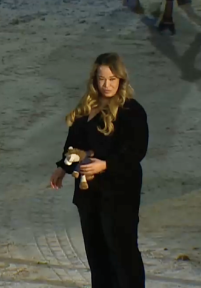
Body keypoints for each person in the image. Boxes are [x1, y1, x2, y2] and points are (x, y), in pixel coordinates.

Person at [49, 52, 149, 288]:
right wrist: (63, 168)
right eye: (102, 79)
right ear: (94, 79)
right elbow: (73, 143)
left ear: (121, 80)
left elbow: (137, 151)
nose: (107, 85)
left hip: (120, 193)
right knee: (97, 254)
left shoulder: (132, 110)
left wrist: (106, 165)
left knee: (123, 252)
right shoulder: (87, 107)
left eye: (112, 79)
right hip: (88, 193)